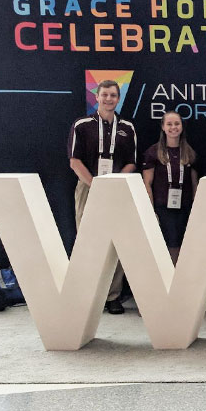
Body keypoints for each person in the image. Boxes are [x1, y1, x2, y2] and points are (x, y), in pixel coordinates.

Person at [67, 79, 138, 315]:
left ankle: (113, 296)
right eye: (104, 95)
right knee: (88, 241)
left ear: (119, 99)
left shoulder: (127, 127)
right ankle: (88, 295)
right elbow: (75, 162)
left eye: (113, 96)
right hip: (89, 188)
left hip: (117, 189)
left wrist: (113, 183)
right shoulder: (82, 124)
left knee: (116, 242)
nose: (109, 99)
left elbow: (131, 162)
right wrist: (96, 185)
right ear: (96, 97)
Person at [141, 112, 199, 264]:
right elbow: (147, 182)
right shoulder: (153, 152)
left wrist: (195, 208)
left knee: (183, 244)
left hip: (184, 207)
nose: (173, 127)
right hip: (162, 207)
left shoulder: (189, 152)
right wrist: (150, 210)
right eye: (169, 124)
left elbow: (194, 184)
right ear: (163, 127)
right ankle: (168, 280)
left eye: (177, 124)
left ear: (182, 126)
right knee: (167, 243)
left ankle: (179, 278)